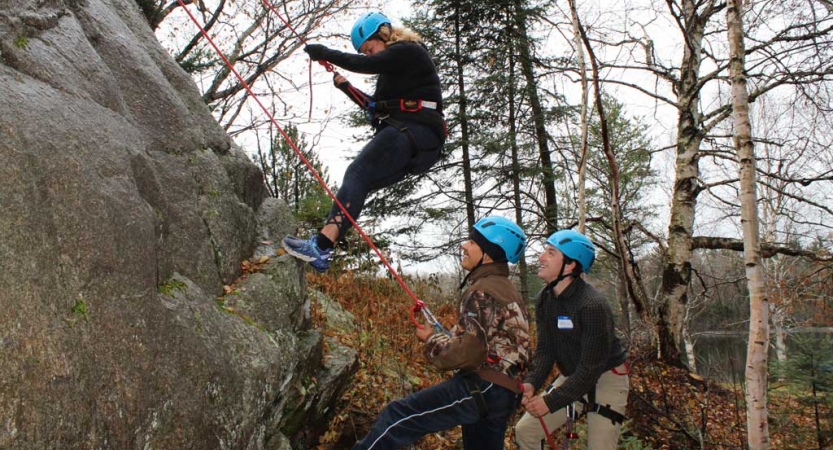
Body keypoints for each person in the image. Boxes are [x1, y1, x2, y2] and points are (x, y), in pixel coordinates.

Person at [283, 11, 445, 272]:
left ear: (383, 34)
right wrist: (346, 88)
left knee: (357, 173)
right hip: (419, 140)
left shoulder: (409, 50)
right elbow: (375, 107)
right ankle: (323, 248)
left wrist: (326, 52)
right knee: (361, 182)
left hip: (415, 129)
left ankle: (321, 246)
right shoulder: (396, 75)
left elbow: (365, 65)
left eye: (369, 48)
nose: (370, 55)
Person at [354, 216, 530, 450]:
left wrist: (430, 340)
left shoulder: (481, 291)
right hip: (503, 393)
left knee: (398, 415)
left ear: (487, 254)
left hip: (484, 385)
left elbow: (467, 353)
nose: (464, 246)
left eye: (472, 242)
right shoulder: (505, 289)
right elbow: (490, 342)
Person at [514, 229, 629, 450]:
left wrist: (549, 402)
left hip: (606, 379)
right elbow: (546, 351)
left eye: (550, 252)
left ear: (570, 265)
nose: (541, 257)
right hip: (573, 374)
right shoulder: (545, 299)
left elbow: (590, 369)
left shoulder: (592, 305)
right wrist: (531, 383)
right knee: (525, 431)